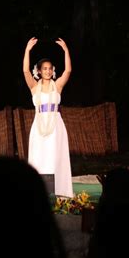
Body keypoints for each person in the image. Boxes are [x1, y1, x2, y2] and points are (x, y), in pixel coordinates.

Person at [23, 37, 73, 198]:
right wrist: (27, 50)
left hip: (55, 125)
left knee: (53, 156)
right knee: (39, 157)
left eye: (50, 68)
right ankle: (40, 190)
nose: (48, 71)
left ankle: (58, 190)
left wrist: (66, 51)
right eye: (44, 69)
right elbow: (25, 71)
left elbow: (68, 71)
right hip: (39, 126)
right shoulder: (34, 87)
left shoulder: (57, 86)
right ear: (38, 71)